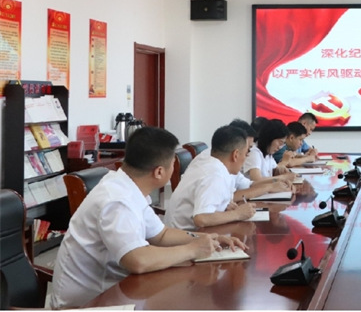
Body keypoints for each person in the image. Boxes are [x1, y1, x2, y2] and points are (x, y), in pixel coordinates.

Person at [50, 127, 246, 309]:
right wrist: (192, 250)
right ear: (159, 171)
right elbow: (138, 260)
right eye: (172, 163)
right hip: (88, 303)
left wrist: (205, 239)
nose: (174, 168)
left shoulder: (128, 186)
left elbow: (161, 234)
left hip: (116, 288)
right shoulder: (116, 200)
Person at [165, 125, 257, 230]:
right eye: (245, 154)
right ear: (235, 155)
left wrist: (224, 206)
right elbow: (201, 219)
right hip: (182, 236)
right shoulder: (215, 174)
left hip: (191, 233)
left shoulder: (214, 166)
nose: (245, 159)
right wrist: (238, 214)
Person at [227, 119, 293, 199]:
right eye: (280, 142)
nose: (247, 154)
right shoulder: (253, 152)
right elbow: (256, 179)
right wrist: (280, 178)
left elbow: (250, 184)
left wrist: (280, 174)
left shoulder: (268, 154)